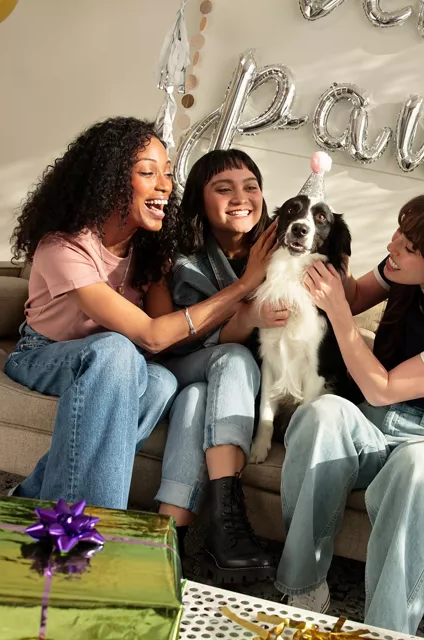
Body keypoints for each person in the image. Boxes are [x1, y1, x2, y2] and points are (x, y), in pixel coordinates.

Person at [273, 186, 424, 635]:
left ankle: (387, 630)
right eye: (399, 235)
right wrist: (323, 252)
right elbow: (353, 293)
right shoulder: (402, 271)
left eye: (407, 245)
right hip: (372, 427)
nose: (391, 247)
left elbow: (382, 388)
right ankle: (303, 587)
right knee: (322, 414)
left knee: (417, 469)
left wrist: (341, 317)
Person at [7, 117, 199, 511]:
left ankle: (34, 503)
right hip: (44, 354)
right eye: (148, 172)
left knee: (161, 380)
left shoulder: (146, 254)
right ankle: (92, 528)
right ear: (110, 180)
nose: (165, 184)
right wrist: (241, 288)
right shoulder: (63, 246)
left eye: (167, 173)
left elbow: (160, 346)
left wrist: (162, 270)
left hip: (114, 364)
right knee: (115, 349)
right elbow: (151, 335)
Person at [143, 149, 280, 583]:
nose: (241, 197)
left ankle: (170, 540)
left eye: (250, 187)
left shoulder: (283, 250)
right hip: (176, 366)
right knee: (230, 357)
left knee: (199, 398)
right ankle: (228, 522)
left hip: (233, 388)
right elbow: (165, 341)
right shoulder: (173, 253)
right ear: (200, 203)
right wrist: (246, 295)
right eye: (223, 188)